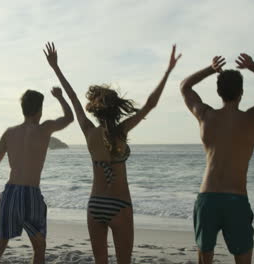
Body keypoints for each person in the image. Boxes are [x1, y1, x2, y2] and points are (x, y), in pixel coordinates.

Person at [44, 42, 181, 264]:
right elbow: (150, 104)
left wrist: (56, 68)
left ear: (96, 110)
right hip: (120, 205)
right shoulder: (122, 131)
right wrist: (167, 71)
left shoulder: (89, 131)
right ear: (116, 109)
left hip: (95, 204)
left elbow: (73, 99)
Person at [180, 54, 254, 264]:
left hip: (207, 198)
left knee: (204, 259)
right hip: (235, 200)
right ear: (241, 93)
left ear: (219, 92)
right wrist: (253, 66)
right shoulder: (252, 118)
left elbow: (185, 87)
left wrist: (210, 69)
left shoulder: (205, 116)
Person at [0, 87, 73, 264]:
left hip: (10, 193)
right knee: (39, 248)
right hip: (31, 194)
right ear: (40, 110)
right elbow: (69, 117)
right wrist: (61, 97)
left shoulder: (9, 132)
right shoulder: (45, 128)